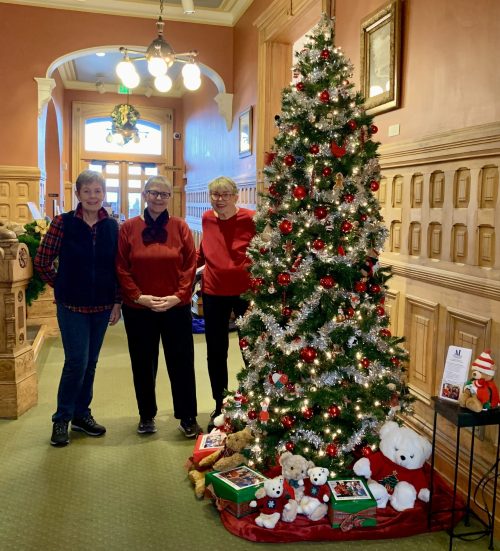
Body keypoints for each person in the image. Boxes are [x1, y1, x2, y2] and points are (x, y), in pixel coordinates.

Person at [34, 170, 121, 447]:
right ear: (79, 194)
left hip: (102, 305)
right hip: (72, 305)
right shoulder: (63, 223)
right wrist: (60, 285)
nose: (93, 196)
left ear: (103, 194)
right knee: (76, 362)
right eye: (87, 191)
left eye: (98, 191)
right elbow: (43, 260)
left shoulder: (112, 226)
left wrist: (117, 301)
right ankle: (61, 418)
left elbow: (117, 267)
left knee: (91, 364)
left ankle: (82, 416)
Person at [116, 175, 200, 438]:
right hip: (139, 309)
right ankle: (146, 415)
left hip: (175, 307)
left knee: (182, 363)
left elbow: (190, 264)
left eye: (164, 194)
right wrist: (138, 296)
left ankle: (187, 416)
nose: (158, 198)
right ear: (144, 194)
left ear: (169, 198)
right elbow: (121, 266)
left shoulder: (180, 226)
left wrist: (178, 296)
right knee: (142, 364)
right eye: (153, 193)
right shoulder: (128, 227)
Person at [197, 176, 255, 431]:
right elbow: (205, 250)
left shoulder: (251, 218)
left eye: (225, 195)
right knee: (216, 351)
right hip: (213, 290)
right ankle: (220, 404)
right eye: (215, 195)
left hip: (245, 293)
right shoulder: (207, 218)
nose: (219, 200)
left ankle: (255, 403)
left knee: (250, 349)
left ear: (236, 196)